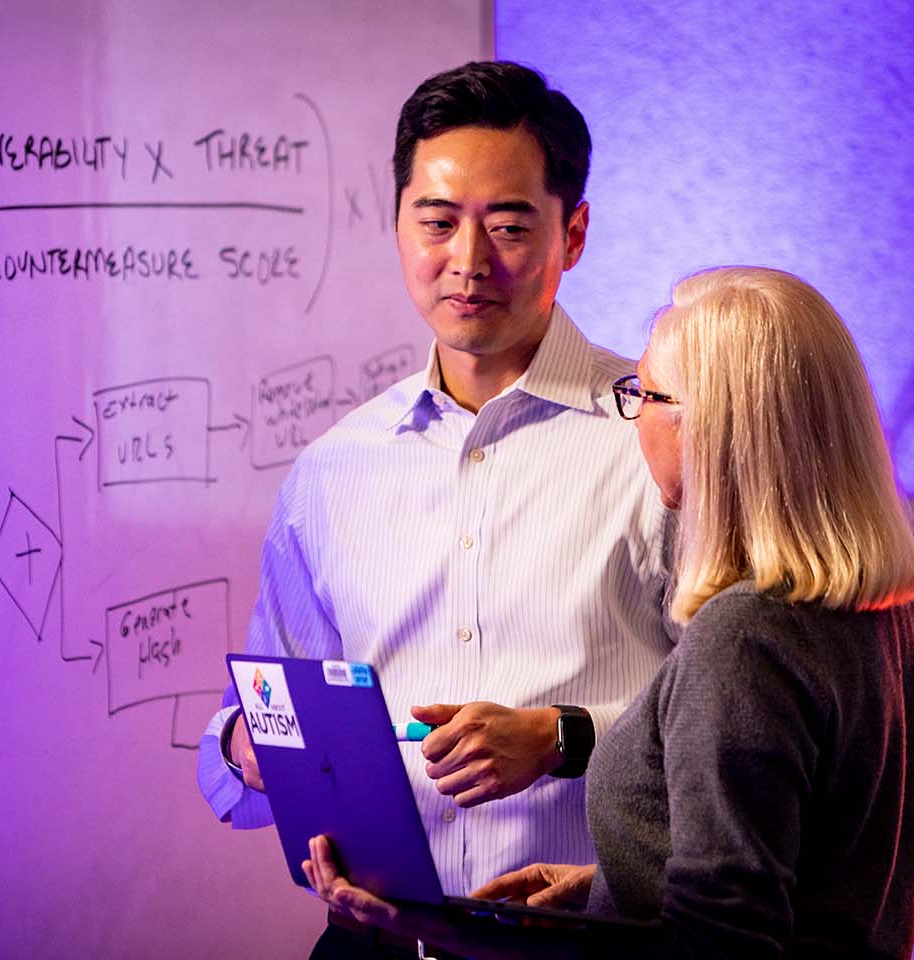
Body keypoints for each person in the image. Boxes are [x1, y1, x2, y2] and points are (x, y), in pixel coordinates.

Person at [306, 266, 914, 959]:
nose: (633, 414)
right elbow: (805, 880)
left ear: (715, 429)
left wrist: (439, 932)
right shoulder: (881, 611)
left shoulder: (744, 639)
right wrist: (610, 892)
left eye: (646, 393)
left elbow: (717, 947)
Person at [198, 61, 674, 956]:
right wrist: (246, 743)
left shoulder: (659, 435)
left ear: (572, 234)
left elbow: (739, 737)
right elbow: (235, 741)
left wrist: (566, 738)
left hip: (591, 942)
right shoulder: (332, 472)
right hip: (371, 944)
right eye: (438, 222)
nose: (468, 261)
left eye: (507, 225)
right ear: (397, 226)